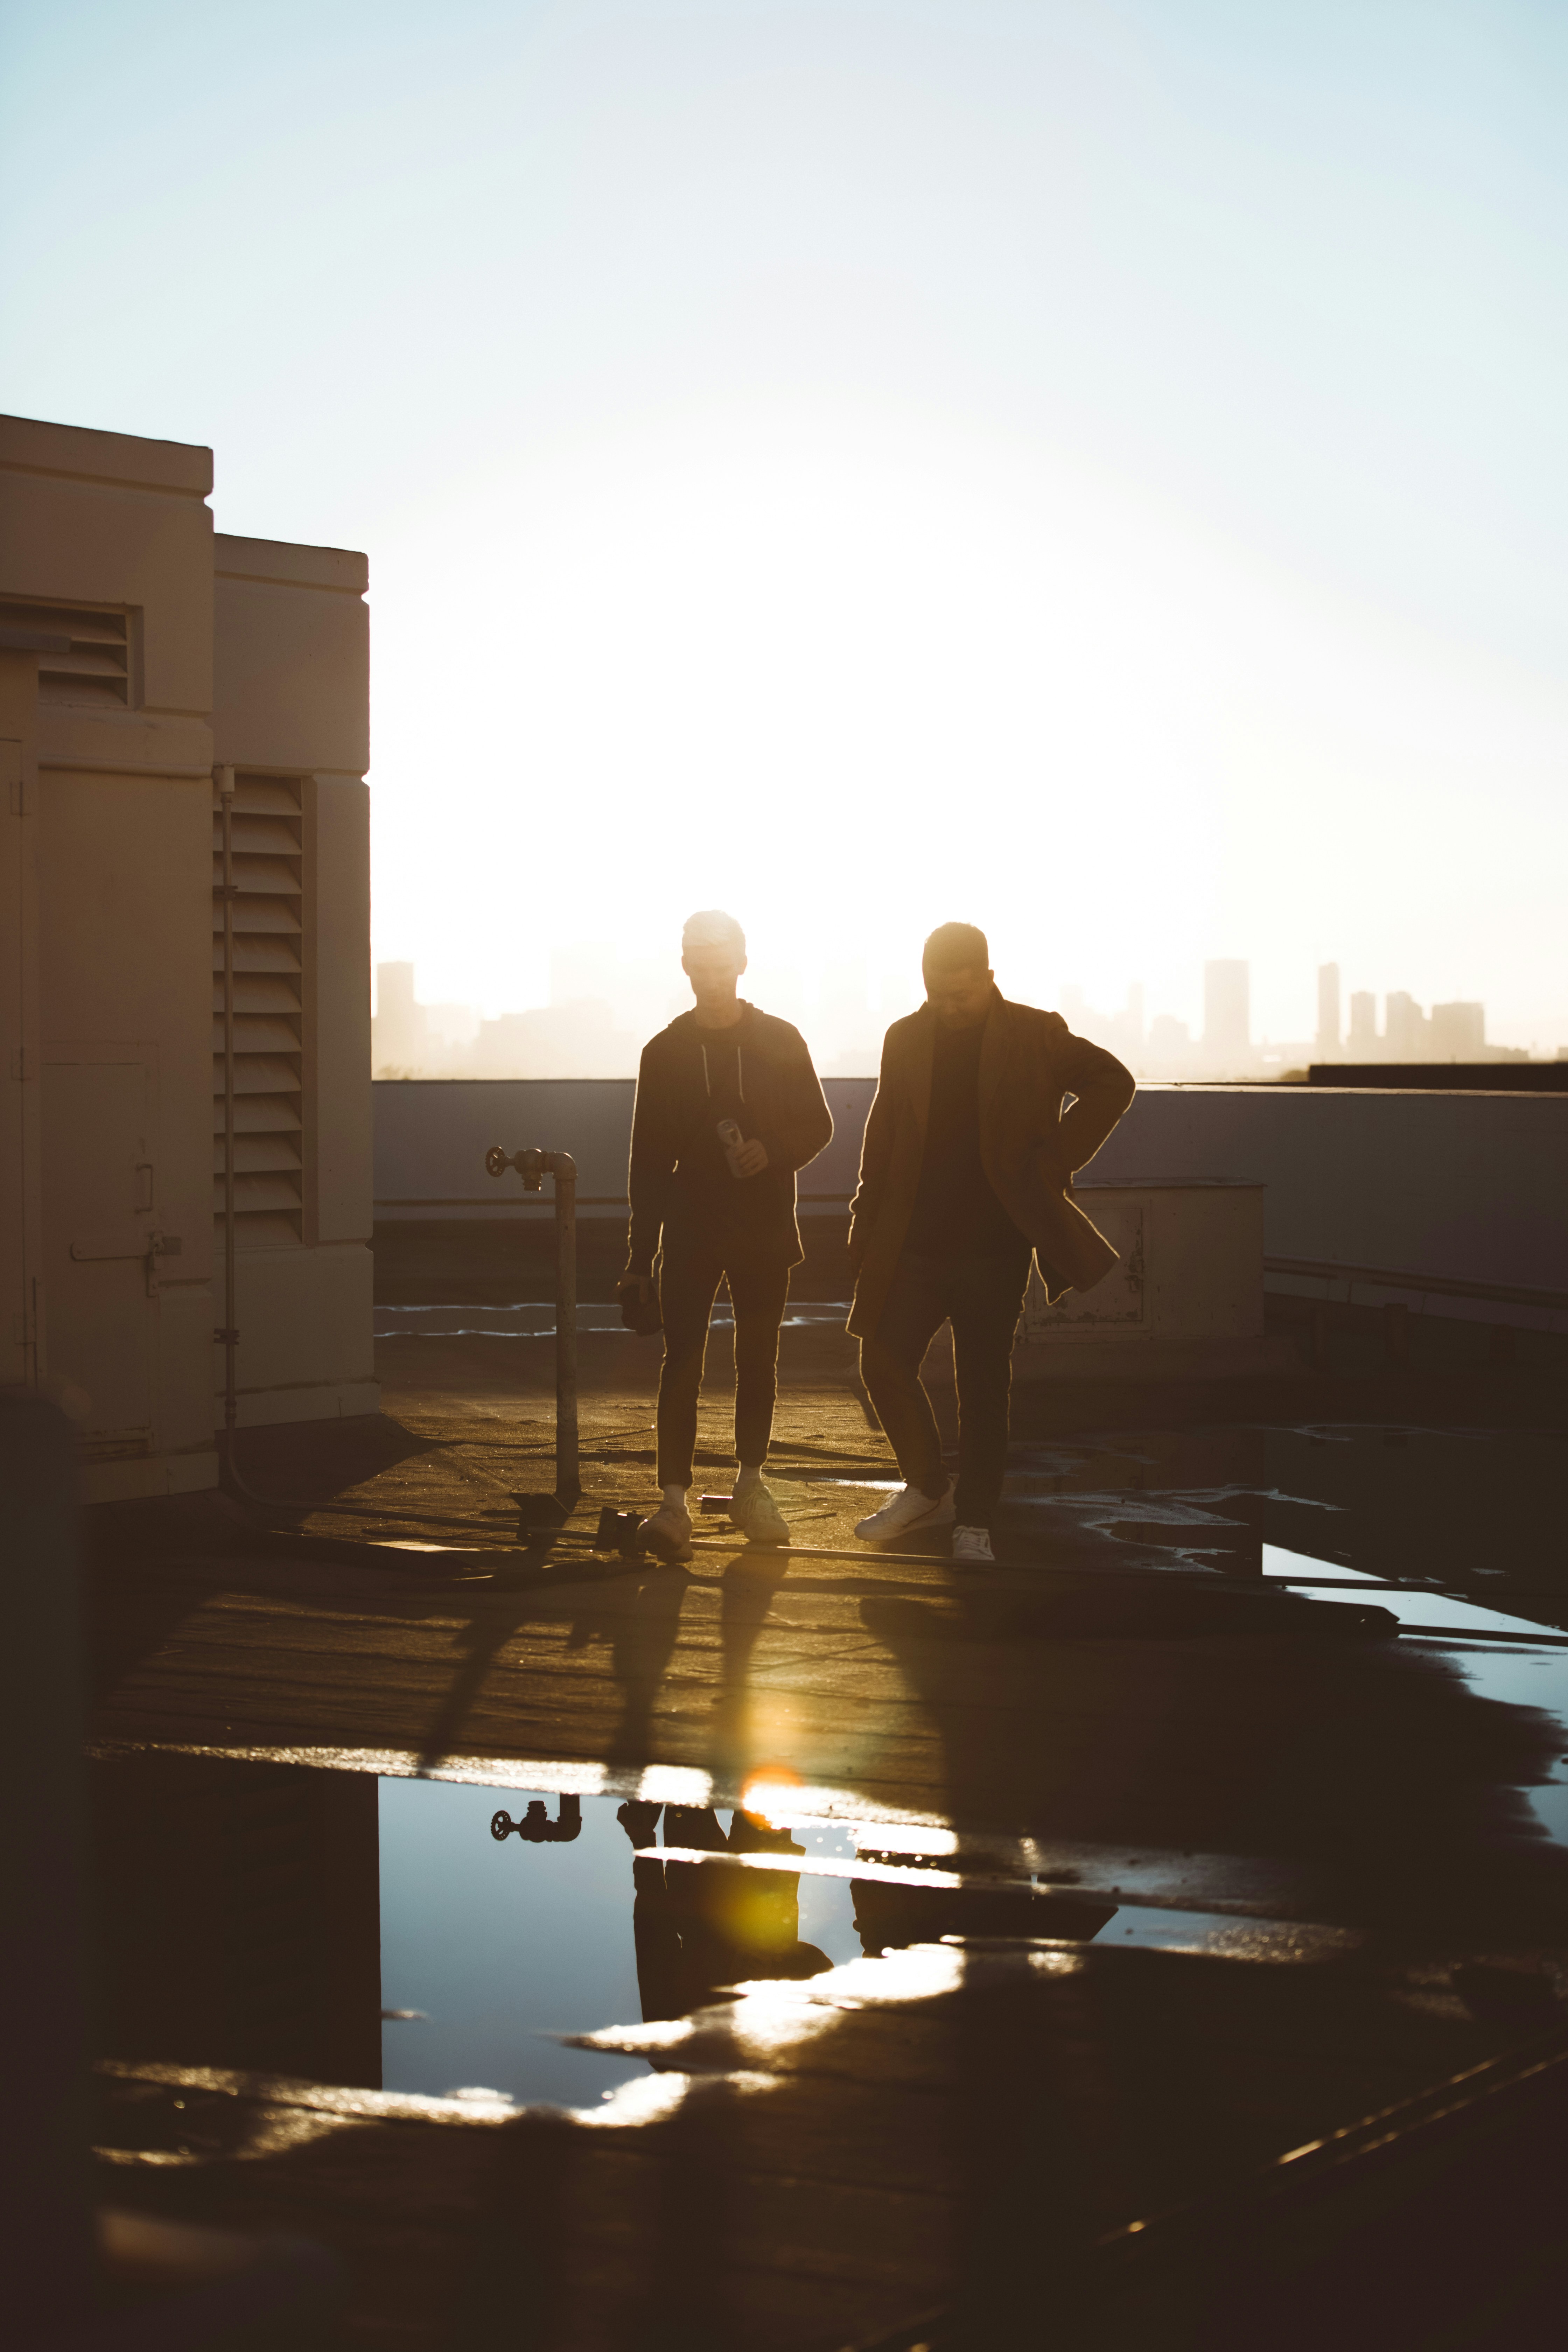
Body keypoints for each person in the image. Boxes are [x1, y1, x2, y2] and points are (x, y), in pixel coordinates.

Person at [847, 922, 1135, 1567]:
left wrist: (1054, 1161)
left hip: (994, 1247)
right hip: (915, 1241)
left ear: (989, 978)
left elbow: (1114, 1081)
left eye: (963, 995)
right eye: (938, 995)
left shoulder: (1034, 1032)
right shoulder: (906, 1037)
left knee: (982, 1389)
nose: (950, 1008)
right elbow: (884, 1133)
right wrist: (864, 1220)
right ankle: (927, 1489)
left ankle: (975, 1520)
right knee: (882, 1361)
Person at [622, 910, 833, 1560]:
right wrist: (638, 1258)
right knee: (681, 1362)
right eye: (701, 969)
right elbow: (648, 1161)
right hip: (689, 1231)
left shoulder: (781, 1040)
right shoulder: (663, 1053)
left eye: (723, 969)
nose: (712, 983)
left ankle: (750, 1483)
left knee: (757, 1359)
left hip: (764, 1229)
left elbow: (819, 1127)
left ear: (742, 964)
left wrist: (772, 1152)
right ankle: (673, 1503)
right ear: (686, 966)